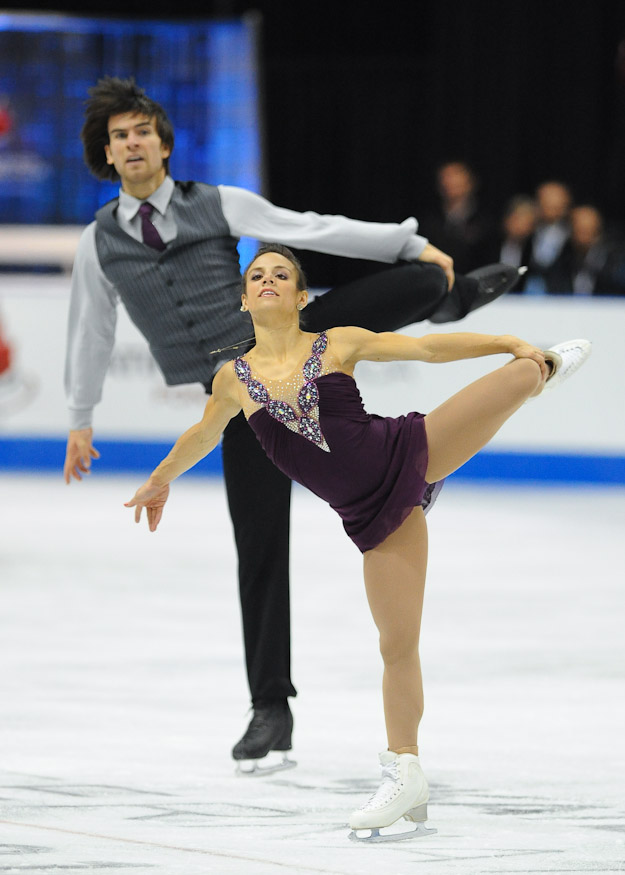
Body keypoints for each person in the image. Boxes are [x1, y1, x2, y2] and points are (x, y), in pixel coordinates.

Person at [63, 76, 523, 773]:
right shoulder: (99, 241)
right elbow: (90, 327)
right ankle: (270, 708)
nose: (132, 142)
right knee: (259, 546)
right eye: (118, 135)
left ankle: (447, 296)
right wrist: (79, 416)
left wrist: (409, 242)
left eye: (142, 130)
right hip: (243, 395)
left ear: (162, 143)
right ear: (107, 152)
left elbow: (311, 229)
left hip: (294, 340)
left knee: (419, 281)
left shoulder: (214, 202)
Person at [125, 244, 591, 840]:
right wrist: (160, 479)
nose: (268, 281)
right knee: (397, 645)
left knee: (524, 371)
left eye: (281, 275)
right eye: (257, 276)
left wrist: (508, 342)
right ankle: (407, 773)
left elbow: (427, 348)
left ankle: (544, 367)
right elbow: (201, 433)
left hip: (412, 449)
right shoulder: (232, 380)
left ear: (301, 298)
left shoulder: (337, 342)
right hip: (373, 518)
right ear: (243, 300)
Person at [419, 160, 500, 274]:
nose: (449, 182)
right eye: (446, 177)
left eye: (455, 175)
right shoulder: (429, 223)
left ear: (471, 182)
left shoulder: (486, 222)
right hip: (436, 283)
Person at [544, 205, 625, 295]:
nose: (584, 239)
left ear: (599, 233)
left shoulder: (613, 262)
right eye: (580, 231)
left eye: (589, 232)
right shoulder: (562, 260)